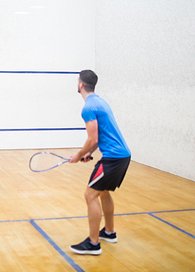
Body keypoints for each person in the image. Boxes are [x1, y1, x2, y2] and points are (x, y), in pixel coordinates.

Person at [69, 70, 131, 255]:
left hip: (113, 158)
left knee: (90, 195)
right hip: (122, 156)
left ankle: (93, 243)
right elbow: (103, 134)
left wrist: (79, 154)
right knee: (103, 192)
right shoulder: (101, 102)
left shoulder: (88, 107)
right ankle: (109, 232)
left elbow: (93, 138)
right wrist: (89, 153)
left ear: (80, 84)